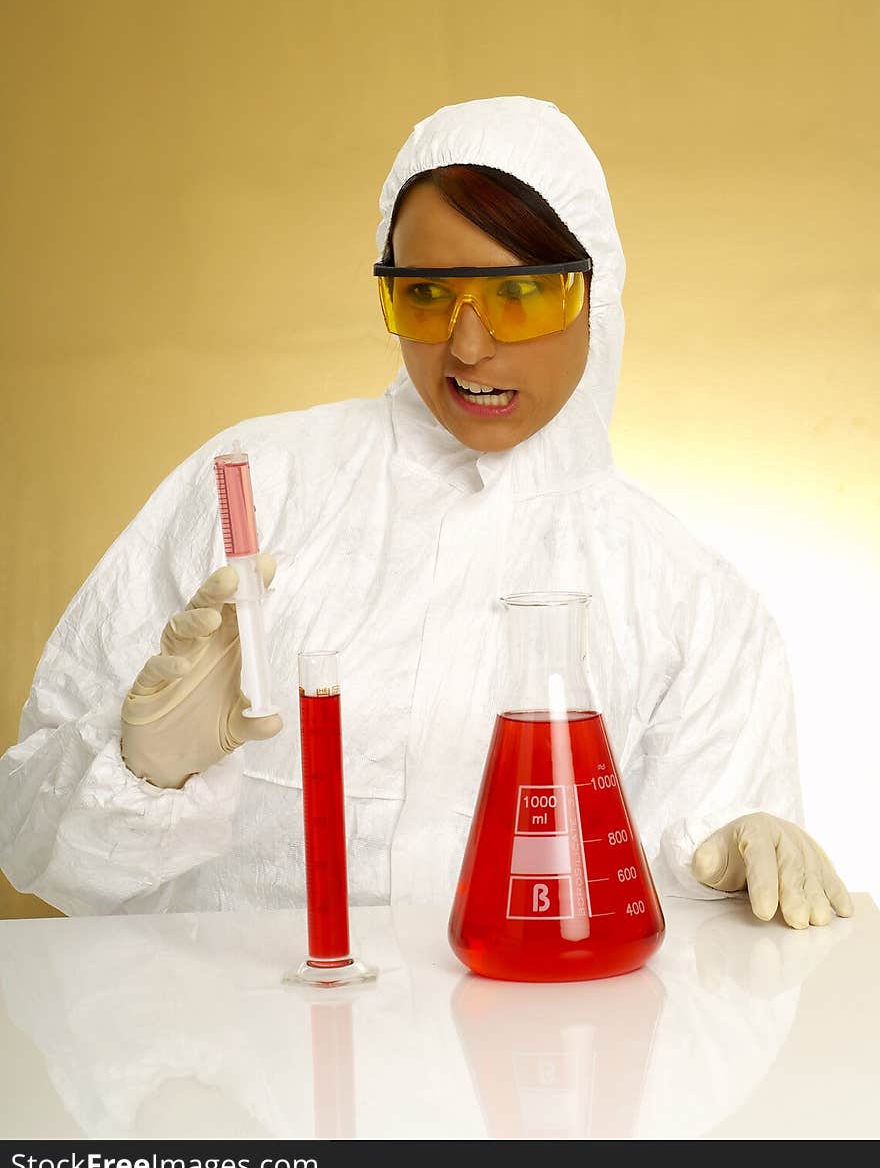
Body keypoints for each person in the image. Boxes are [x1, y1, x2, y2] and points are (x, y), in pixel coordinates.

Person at [0, 96, 852, 927]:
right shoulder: (261, 488)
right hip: (239, 1063)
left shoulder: (693, 605)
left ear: (598, 293)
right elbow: (39, 854)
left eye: (519, 295)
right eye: (426, 294)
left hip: (536, 1071)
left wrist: (726, 893)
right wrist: (138, 769)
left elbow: (690, 997)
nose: (469, 346)